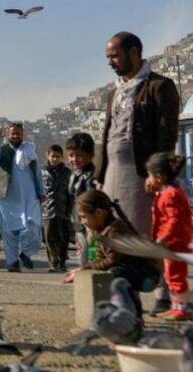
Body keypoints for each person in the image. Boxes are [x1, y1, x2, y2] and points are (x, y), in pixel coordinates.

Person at [97, 32, 180, 238]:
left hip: (141, 175)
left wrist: (156, 173)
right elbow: (107, 135)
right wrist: (100, 176)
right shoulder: (114, 93)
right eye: (107, 58)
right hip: (112, 174)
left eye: (114, 56)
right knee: (113, 230)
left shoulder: (158, 86)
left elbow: (166, 134)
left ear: (133, 52)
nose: (110, 62)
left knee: (140, 231)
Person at [63, 189, 160, 318]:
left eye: (83, 217)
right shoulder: (100, 231)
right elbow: (99, 259)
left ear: (99, 213)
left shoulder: (115, 231)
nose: (82, 222)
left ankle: (134, 315)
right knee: (103, 273)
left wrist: (83, 269)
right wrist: (83, 270)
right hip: (131, 271)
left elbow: (112, 260)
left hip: (147, 277)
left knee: (114, 273)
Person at [0, 123, 45, 273]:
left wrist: (41, 191)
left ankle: (26, 253)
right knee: (9, 232)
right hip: (7, 196)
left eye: (18, 134)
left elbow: (37, 172)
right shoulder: (2, 149)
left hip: (29, 195)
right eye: (13, 134)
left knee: (33, 224)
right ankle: (12, 262)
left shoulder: (29, 149)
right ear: (8, 135)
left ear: (23, 134)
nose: (16, 136)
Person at [145, 152, 193, 321]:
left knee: (175, 275)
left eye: (149, 175)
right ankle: (176, 306)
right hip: (172, 242)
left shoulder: (170, 194)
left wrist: (163, 238)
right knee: (170, 275)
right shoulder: (167, 191)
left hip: (175, 242)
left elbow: (174, 219)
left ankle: (182, 308)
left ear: (159, 177)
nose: (148, 179)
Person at [66, 133, 97, 267]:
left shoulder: (93, 176)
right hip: (78, 223)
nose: (74, 159)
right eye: (71, 155)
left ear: (90, 155)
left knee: (92, 257)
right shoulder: (74, 175)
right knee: (82, 257)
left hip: (90, 224)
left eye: (79, 155)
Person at [42, 145, 73, 273]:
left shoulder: (66, 172)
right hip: (47, 209)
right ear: (47, 156)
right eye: (52, 156)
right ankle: (53, 262)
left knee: (63, 237)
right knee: (49, 237)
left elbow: (70, 192)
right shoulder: (42, 172)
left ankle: (62, 261)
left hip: (63, 208)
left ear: (62, 157)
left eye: (57, 157)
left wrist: (70, 209)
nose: (54, 159)